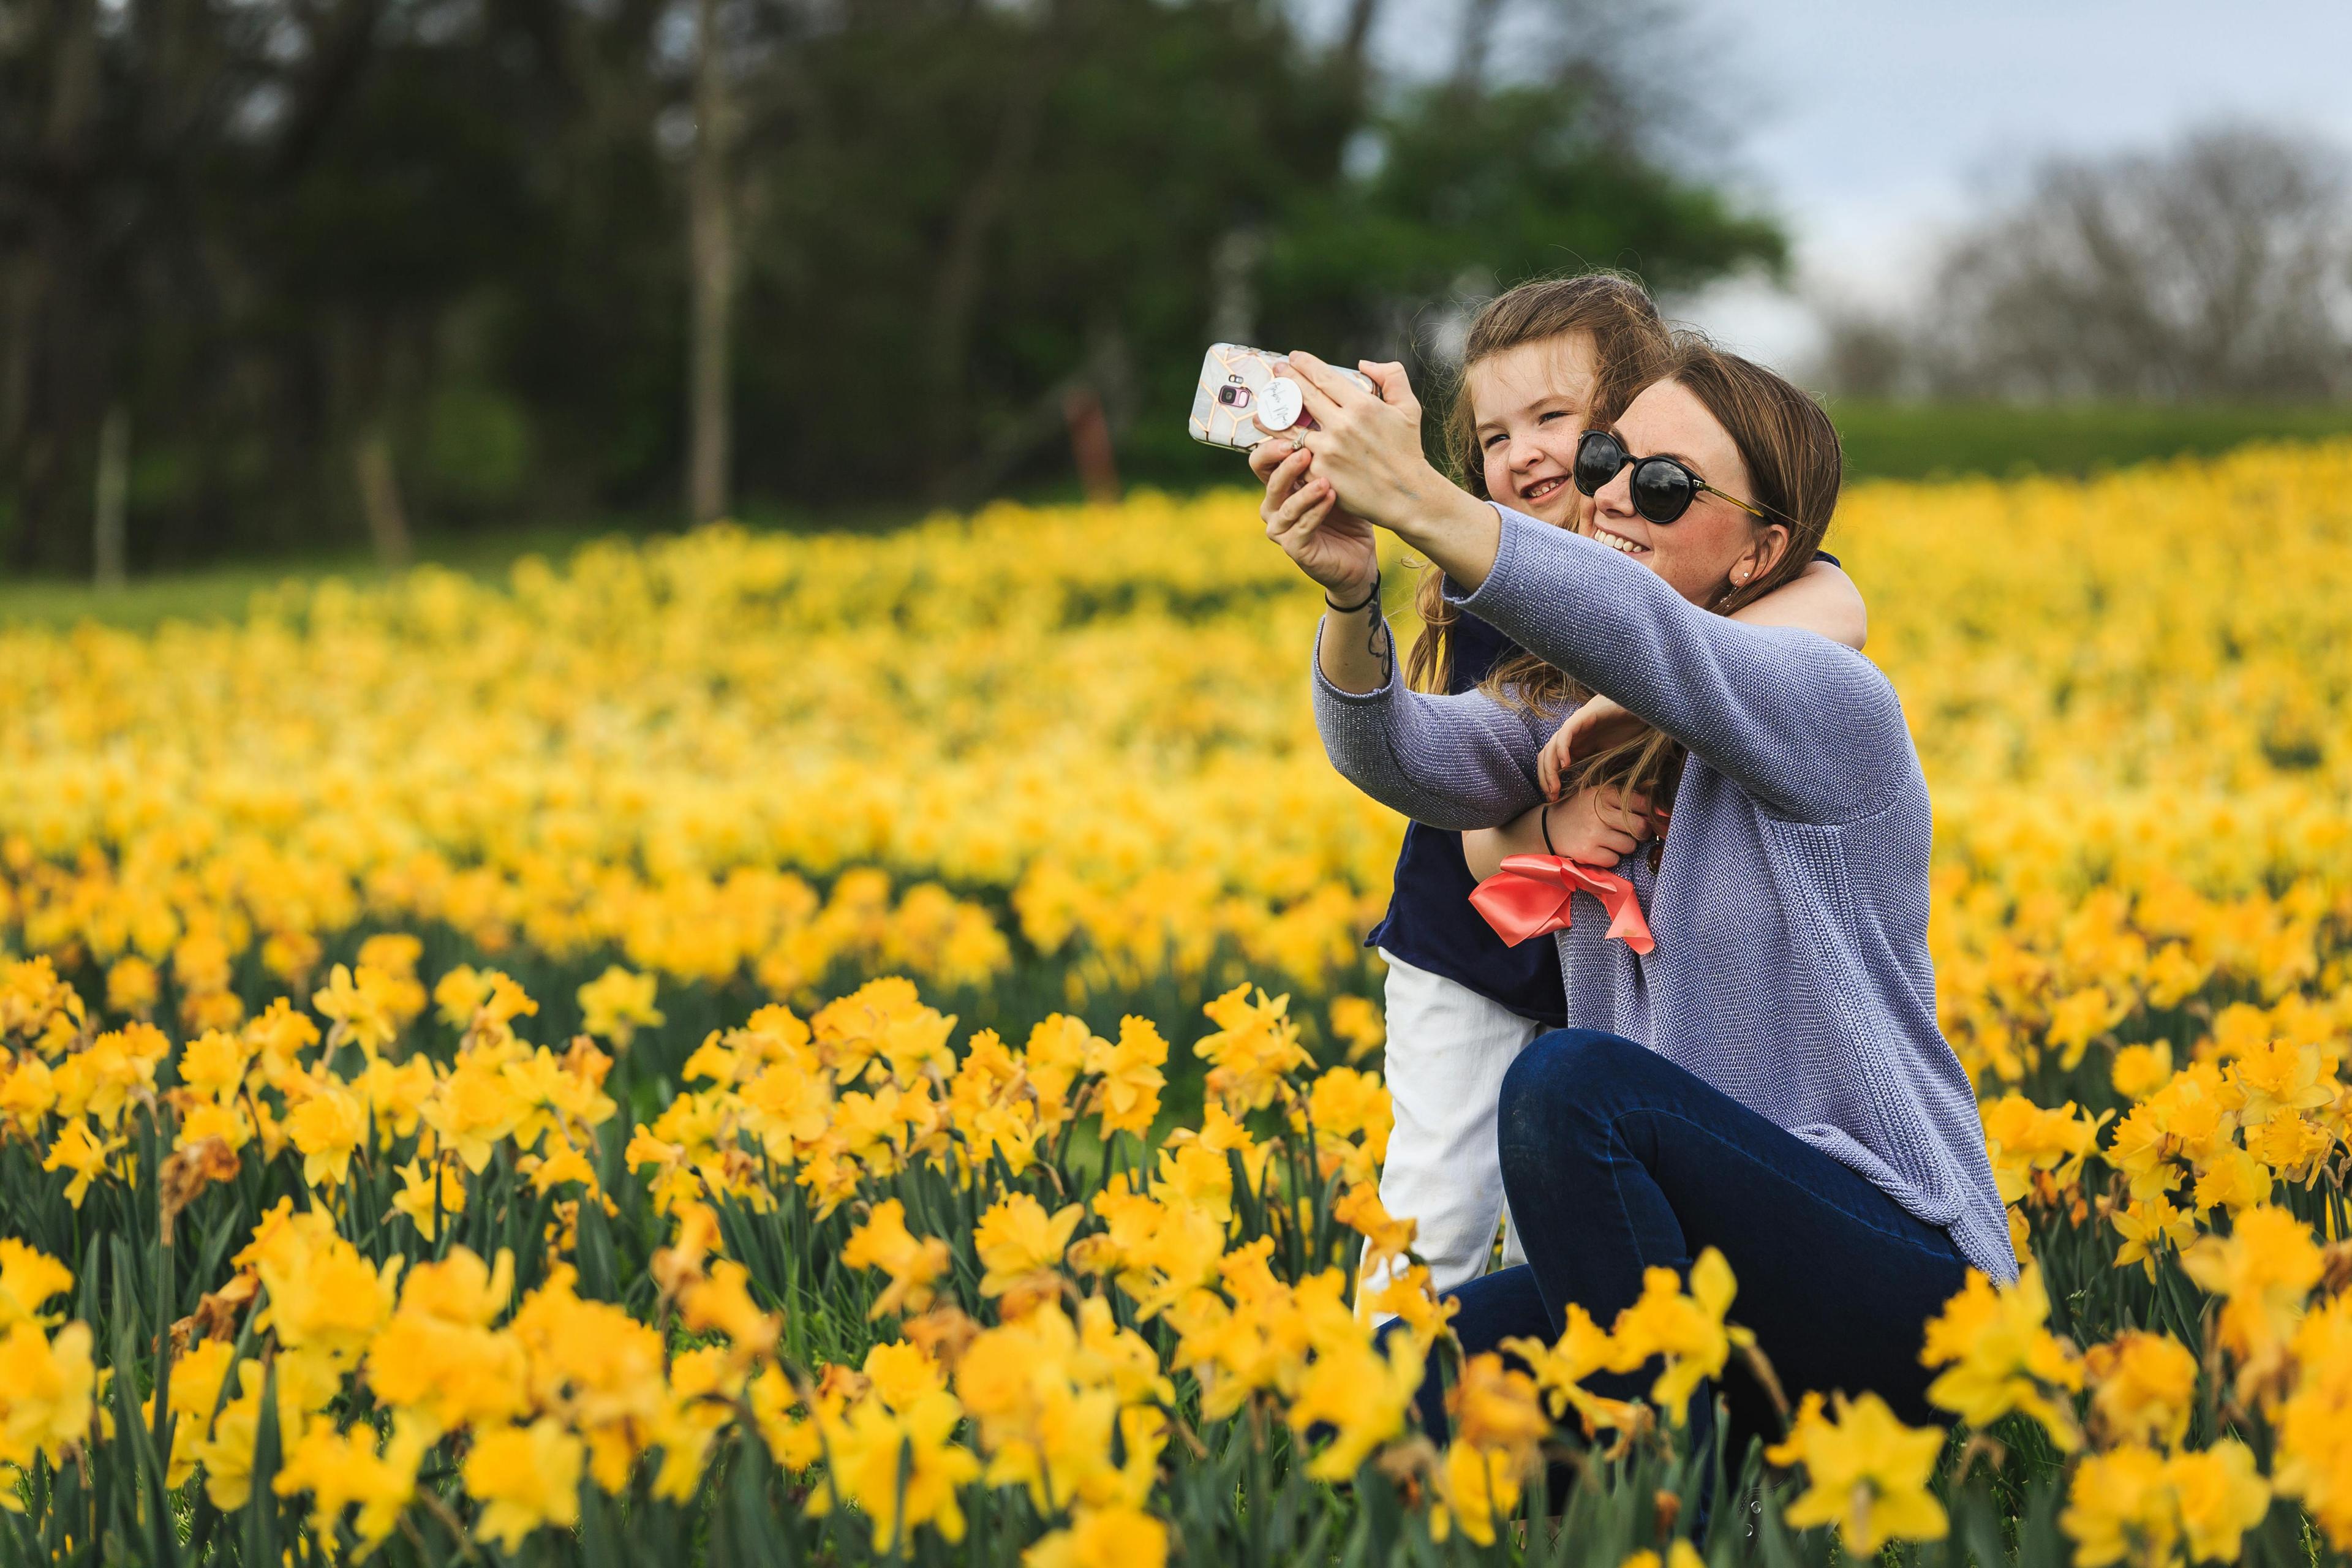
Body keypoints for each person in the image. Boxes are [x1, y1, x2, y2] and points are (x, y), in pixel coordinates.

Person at [1258, 333, 2011, 1452]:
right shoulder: (1576, 719)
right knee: (1389, 1391)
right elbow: (1401, 758)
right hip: (1709, 1295)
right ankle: (1679, 1465)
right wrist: (1353, 596)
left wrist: (1418, 495)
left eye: (1663, 486)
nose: (1611, 496)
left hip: (1912, 1291)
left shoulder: (1831, 703)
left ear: (1761, 554)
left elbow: (1657, 640)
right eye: (1611, 459)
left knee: (1573, 1086)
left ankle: (1674, 1499)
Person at [1253, 276, 1869, 1310]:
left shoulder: (1723, 577)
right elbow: (1463, 813)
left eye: (1555, 421)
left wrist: (1653, 696)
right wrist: (1548, 819)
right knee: (1440, 1209)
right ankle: (1380, 1409)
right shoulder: (1492, 583)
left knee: (1587, 1222)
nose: (1524, 455)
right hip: (1479, 947)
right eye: (1493, 437)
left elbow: (1834, 608)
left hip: (1627, 970)